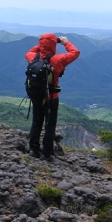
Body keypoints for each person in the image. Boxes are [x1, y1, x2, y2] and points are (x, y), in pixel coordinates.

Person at [26, 33, 80, 161]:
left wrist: (44, 45)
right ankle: (46, 153)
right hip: (51, 98)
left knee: (36, 122)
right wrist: (65, 42)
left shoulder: (32, 58)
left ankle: (33, 150)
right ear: (53, 45)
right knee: (50, 125)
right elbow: (75, 52)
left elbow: (32, 50)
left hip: (36, 96)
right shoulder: (57, 60)